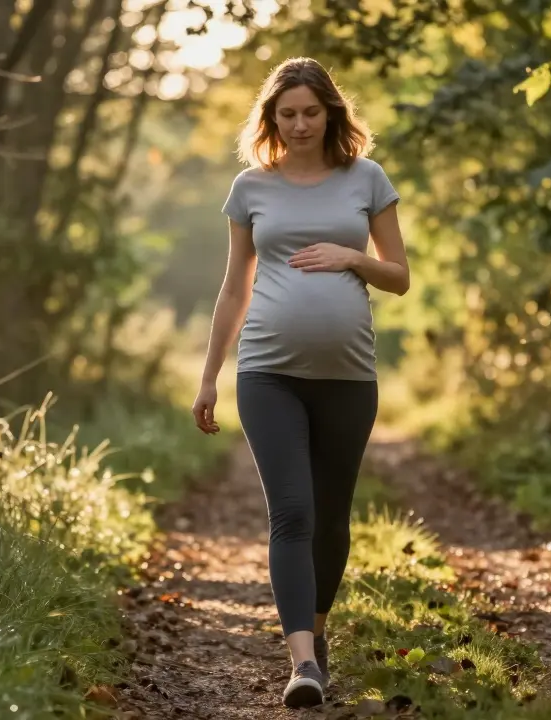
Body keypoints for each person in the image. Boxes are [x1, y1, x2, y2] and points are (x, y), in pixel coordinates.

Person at [191, 56, 410, 709]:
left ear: (331, 112)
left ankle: (318, 631)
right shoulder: (251, 188)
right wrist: (209, 378)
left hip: (348, 375)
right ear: (271, 117)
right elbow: (234, 287)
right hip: (267, 372)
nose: (299, 123)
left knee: (333, 516)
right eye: (286, 114)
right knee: (292, 512)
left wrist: (351, 257)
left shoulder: (365, 178)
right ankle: (303, 663)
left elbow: (398, 275)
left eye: (310, 112)